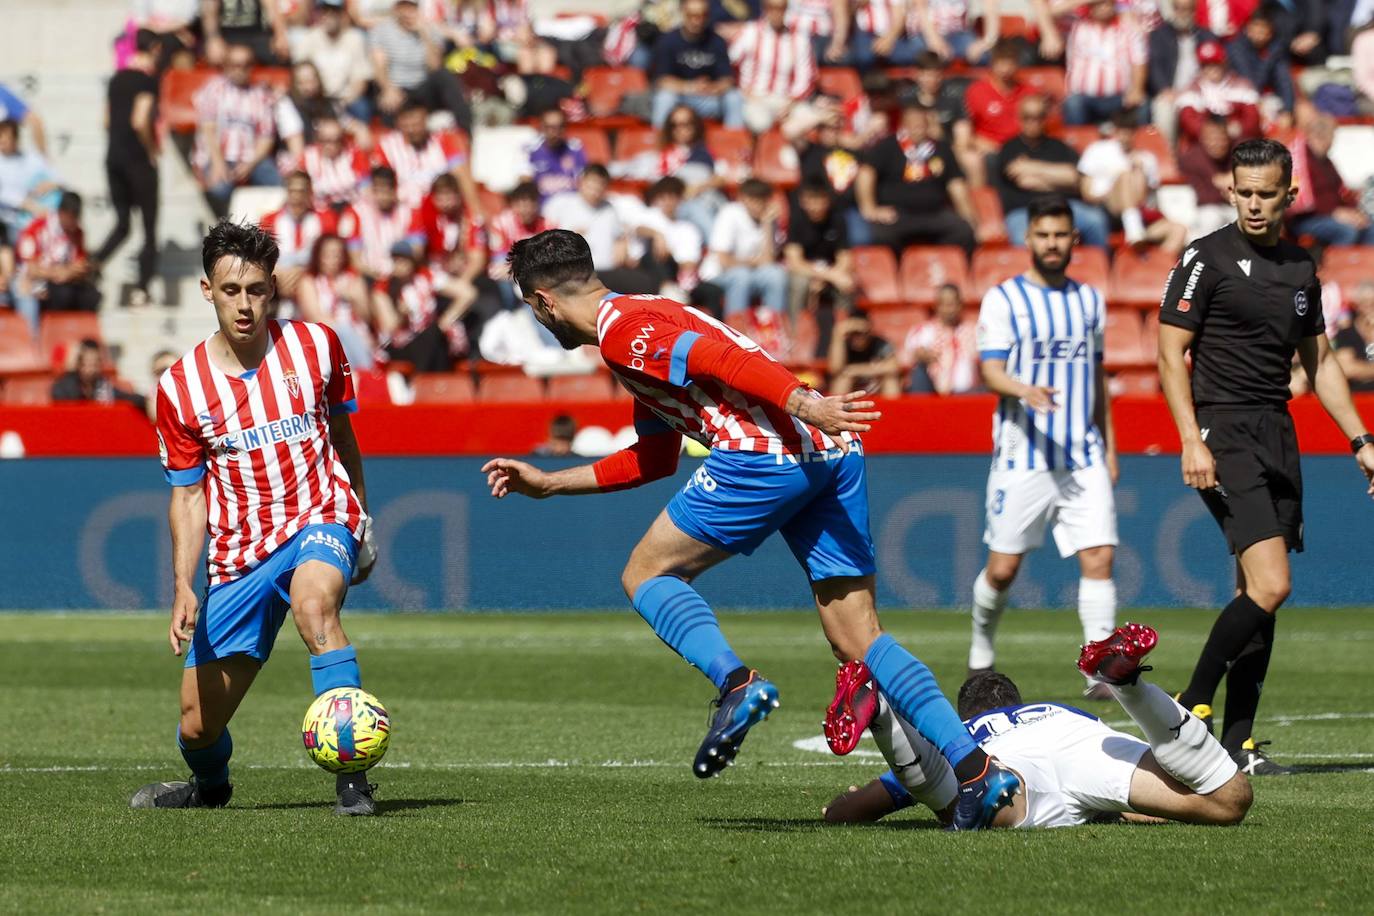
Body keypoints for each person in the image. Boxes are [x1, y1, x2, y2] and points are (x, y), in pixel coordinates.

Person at [483, 228, 1023, 830]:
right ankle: (977, 771)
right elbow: (654, 458)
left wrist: (803, 401)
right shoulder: (646, 318)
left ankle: (736, 682)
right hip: (830, 453)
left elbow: (723, 360)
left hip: (768, 452)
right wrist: (551, 483)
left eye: (531, 309)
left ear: (543, 303)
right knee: (858, 636)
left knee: (645, 574)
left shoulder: (623, 334)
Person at [130, 220, 378, 815]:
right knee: (196, 727)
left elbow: (343, 434)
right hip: (242, 552)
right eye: (231, 290)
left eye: (258, 290)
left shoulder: (318, 345)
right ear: (206, 291)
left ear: (273, 290)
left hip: (320, 516)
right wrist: (184, 584)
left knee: (314, 604)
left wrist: (362, 516)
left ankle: (353, 781)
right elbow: (188, 496)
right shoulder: (181, 387)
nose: (245, 304)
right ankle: (210, 787)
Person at [1157, 139, 1374, 776]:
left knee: (1258, 594)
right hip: (1223, 431)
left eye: (1265, 193)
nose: (1253, 204)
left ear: (1290, 195)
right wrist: (1190, 438)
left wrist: (1361, 441)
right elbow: (1171, 355)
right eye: (1243, 191)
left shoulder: (1301, 270)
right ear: (1231, 191)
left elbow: (1321, 362)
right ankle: (1187, 705)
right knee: (1273, 583)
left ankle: (1237, 745)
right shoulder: (1205, 258)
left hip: (1277, 430)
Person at [823, 624, 1253, 830]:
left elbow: (851, 813)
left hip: (1004, 769)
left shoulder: (959, 736)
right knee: (1227, 801)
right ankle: (1127, 683)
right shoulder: (1060, 711)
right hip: (1083, 743)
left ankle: (880, 711)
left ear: (962, 714)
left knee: (967, 805)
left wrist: (842, 806)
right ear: (1017, 704)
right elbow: (1138, 808)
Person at [969, 194, 1119, 691]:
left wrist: (1110, 444)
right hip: (1023, 453)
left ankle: (1099, 669)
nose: (1052, 244)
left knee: (1098, 556)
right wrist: (1023, 388)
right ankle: (981, 650)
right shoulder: (1004, 299)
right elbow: (990, 370)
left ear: (1074, 239)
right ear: (1028, 238)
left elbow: (1096, 377)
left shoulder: (1089, 299)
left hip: (1082, 452)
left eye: (1061, 235)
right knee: (1003, 569)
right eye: (1043, 235)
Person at [92, 28, 160, 308]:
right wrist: (152, 151)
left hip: (113, 159)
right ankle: (142, 288)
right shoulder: (146, 81)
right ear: (154, 49)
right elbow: (140, 120)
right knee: (148, 228)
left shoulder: (116, 79)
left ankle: (92, 264)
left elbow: (107, 121)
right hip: (137, 162)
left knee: (122, 223)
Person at [856, 102, 977, 256]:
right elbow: (866, 174)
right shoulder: (887, 147)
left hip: (934, 212)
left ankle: (942, 266)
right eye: (913, 125)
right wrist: (870, 208)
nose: (918, 129)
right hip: (898, 214)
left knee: (964, 232)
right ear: (903, 126)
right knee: (882, 236)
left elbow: (956, 184)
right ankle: (900, 275)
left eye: (922, 125)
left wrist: (968, 216)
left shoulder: (941, 148)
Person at [996, 95, 1110, 249]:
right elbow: (1024, 181)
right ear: (1019, 118)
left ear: (1045, 118)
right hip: (1025, 211)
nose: (1033, 122)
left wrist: (1031, 166)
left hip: (1064, 207)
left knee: (1095, 220)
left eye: (1039, 117)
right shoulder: (1009, 148)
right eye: (1028, 117)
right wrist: (1057, 180)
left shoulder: (1060, 147)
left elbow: (1073, 177)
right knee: (1020, 238)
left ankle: (1098, 270)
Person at [1077, 111, 1188, 251]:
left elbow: (1143, 198)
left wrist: (1139, 170)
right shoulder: (1097, 150)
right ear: (1114, 131)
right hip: (1105, 208)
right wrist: (1109, 194)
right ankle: (1134, 230)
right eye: (1122, 132)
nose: (1125, 137)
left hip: (1138, 212)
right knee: (1125, 176)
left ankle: (1162, 269)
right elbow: (1086, 192)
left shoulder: (1146, 158)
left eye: (1129, 132)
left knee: (1179, 230)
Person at [192, 44, 280, 216]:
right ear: (226, 66)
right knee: (218, 189)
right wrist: (218, 163)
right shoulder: (215, 88)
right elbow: (208, 129)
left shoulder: (260, 95)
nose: (240, 70)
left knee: (279, 186)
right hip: (218, 155)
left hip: (251, 158)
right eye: (234, 64)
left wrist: (250, 163)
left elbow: (266, 136)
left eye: (245, 65)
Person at [368, 0, 473, 130]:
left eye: (411, 7)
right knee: (387, 103)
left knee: (445, 76)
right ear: (396, 9)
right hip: (396, 88)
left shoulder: (429, 29)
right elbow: (379, 64)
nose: (407, 12)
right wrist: (388, 89)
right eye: (403, 7)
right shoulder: (381, 30)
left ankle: (465, 129)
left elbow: (434, 66)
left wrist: (424, 34)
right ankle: (392, 139)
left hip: (422, 87)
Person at [373, 100, 481, 215]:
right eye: (407, 126)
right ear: (398, 123)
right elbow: (380, 188)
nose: (412, 130)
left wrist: (475, 213)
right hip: (405, 215)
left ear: (426, 120)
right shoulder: (386, 147)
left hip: (441, 213)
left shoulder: (445, 141)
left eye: (416, 125)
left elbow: (463, 179)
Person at [649, 0, 745, 129]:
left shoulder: (716, 41)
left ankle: (732, 144)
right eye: (691, 15)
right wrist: (691, 87)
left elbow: (727, 80)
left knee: (734, 97)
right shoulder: (668, 41)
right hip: (680, 99)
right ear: (683, 13)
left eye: (701, 15)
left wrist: (713, 88)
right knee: (664, 98)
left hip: (709, 100)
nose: (696, 20)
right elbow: (662, 81)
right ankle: (660, 144)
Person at [372, 242, 468, 370]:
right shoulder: (383, 288)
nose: (400, 264)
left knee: (440, 335)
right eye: (396, 260)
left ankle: (439, 382)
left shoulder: (425, 277)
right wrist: (401, 315)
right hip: (398, 347)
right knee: (434, 335)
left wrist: (447, 319)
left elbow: (467, 294)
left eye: (404, 260)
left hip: (427, 338)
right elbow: (389, 327)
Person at [783, 177, 853, 352]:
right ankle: (794, 333)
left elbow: (845, 258)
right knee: (799, 283)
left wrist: (832, 277)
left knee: (848, 283)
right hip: (807, 273)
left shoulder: (838, 219)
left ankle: (845, 334)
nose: (815, 206)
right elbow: (795, 261)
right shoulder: (797, 221)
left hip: (829, 272)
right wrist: (825, 276)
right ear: (803, 201)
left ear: (827, 200)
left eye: (819, 199)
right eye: (810, 200)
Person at [700, 178, 787, 317]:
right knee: (741, 275)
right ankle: (736, 330)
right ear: (743, 199)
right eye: (754, 200)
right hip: (718, 275)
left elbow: (768, 262)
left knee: (776, 275)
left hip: (752, 274)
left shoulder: (769, 219)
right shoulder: (730, 213)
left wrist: (767, 225)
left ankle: (773, 329)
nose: (758, 205)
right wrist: (754, 263)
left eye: (762, 200)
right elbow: (724, 260)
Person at [729, 0, 819, 134]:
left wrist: (791, 103)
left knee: (810, 119)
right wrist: (743, 89)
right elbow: (730, 62)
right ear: (765, 9)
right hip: (756, 98)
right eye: (772, 8)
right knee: (761, 122)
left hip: (787, 100)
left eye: (781, 8)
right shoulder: (750, 32)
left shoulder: (799, 39)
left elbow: (806, 77)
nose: (776, 13)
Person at [13, 192, 100, 328]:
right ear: (61, 212)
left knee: (91, 296)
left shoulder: (77, 233)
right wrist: (60, 272)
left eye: (76, 217)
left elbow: (79, 265)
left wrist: (70, 272)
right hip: (37, 284)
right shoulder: (37, 228)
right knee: (61, 295)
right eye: (70, 217)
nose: (73, 222)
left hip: (65, 282)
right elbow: (30, 269)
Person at [259, 172, 350, 300]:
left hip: (314, 285)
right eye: (292, 191)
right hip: (278, 286)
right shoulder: (268, 221)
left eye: (302, 191)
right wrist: (276, 273)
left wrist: (304, 272)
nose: (297, 197)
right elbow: (261, 259)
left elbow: (335, 257)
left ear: (310, 194)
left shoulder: (326, 220)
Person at [1288, 114, 1374, 247]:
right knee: (1346, 232)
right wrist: (1335, 213)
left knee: (1370, 229)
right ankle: (1338, 266)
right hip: (1307, 219)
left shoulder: (1326, 162)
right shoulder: (1299, 160)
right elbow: (1303, 201)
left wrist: (1355, 214)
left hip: (1331, 215)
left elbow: (1341, 191)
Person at [1061, 0, 1148, 127]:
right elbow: (1049, 14)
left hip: (1119, 98)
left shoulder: (1128, 29)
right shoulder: (1076, 27)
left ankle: (1138, 146)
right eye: (1099, 3)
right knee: (1073, 103)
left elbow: (1139, 61)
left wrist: (1137, 89)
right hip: (1084, 98)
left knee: (1142, 104)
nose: (1104, 8)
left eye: (1108, 3)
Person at [297, 233, 377, 369]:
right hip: (326, 336)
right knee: (342, 339)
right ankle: (365, 374)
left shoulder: (354, 280)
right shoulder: (309, 282)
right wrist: (342, 329)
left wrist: (354, 298)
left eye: (337, 254)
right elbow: (314, 316)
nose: (333, 259)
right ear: (318, 256)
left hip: (358, 337)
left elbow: (367, 317)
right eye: (327, 255)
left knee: (349, 341)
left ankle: (362, 377)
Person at [1146, 0, 1217, 145]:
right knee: (1163, 111)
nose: (1183, 13)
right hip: (1170, 91)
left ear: (1194, 11)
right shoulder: (1159, 35)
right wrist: (1164, 89)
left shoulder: (1207, 36)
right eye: (1179, 9)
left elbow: (1215, 67)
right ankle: (1168, 154)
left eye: (1188, 9)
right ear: (1173, 10)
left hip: (1200, 92)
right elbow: (1154, 67)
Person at [295, 0, 374, 121]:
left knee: (362, 107)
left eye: (333, 12)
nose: (328, 16)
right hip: (317, 97)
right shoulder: (309, 38)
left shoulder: (355, 38)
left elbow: (360, 80)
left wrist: (344, 102)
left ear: (342, 14)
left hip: (345, 98)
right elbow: (299, 73)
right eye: (324, 12)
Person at [1175, 40, 1261, 145]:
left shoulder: (1242, 86)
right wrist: (1214, 134)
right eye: (1206, 65)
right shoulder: (1192, 89)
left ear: (1224, 63)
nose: (1212, 68)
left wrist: (1240, 129)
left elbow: (1253, 119)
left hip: (1237, 140)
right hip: (1203, 143)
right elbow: (1188, 121)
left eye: (1216, 64)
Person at [901, 282, 977, 394]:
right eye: (944, 304)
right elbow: (909, 356)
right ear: (936, 306)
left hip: (968, 394)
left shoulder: (974, 331)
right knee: (919, 371)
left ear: (961, 304)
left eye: (952, 304)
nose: (949, 309)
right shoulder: (923, 331)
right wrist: (922, 355)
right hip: (932, 393)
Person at [349, 165, 422, 281]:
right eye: (378, 191)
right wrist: (380, 273)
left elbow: (417, 251)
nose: (382, 197)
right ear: (372, 189)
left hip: (402, 276)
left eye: (387, 191)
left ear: (394, 190)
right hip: (369, 276)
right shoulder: (358, 212)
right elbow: (355, 260)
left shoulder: (408, 212)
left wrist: (400, 269)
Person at [1225, 6, 1295, 122]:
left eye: (1264, 30)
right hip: (1239, 100)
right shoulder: (1235, 47)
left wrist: (1288, 110)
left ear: (1270, 33)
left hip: (1266, 98)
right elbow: (1251, 83)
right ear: (1248, 28)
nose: (1259, 34)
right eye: (1256, 27)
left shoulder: (1275, 48)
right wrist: (1268, 58)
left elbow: (1284, 80)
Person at [0, 118, 59, 243]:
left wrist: (51, 184)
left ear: (15, 138)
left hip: (32, 220)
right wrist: (26, 204)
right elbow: (4, 195)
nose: (2, 142)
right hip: (7, 223)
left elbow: (59, 179)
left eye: (5, 138)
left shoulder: (31, 159)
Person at [1178, 115, 1236, 238]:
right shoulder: (1193, 156)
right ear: (1202, 138)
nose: (1216, 143)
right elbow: (1219, 182)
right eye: (1211, 138)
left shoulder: (1236, 151)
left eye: (1221, 138)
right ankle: (1205, 257)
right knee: (1211, 218)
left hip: (1232, 208)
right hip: (1205, 211)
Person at [300, 115, 373, 211]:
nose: (331, 145)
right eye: (326, 141)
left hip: (353, 209)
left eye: (336, 140)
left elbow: (367, 189)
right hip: (321, 213)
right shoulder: (308, 158)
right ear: (318, 140)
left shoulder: (355, 155)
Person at [828, 310, 901, 397]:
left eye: (861, 333)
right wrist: (838, 334)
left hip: (874, 384)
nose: (857, 337)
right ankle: (838, 409)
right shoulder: (844, 345)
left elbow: (893, 366)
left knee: (890, 380)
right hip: (852, 386)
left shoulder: (879, 343)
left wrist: (857, 370)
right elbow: (835, 369)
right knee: (843, 380)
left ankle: (891, 409)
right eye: (854, 333)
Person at [51, 338, 144, 406]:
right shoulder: (63, 387)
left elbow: (127, 397)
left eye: (95, 364)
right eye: (86, 363)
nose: (90, 369)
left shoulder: (104, 385)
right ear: (78, 364)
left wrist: (146, 401)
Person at [523, 108, 587, 202]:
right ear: (542, 127)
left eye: (560, 127)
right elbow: (525, 189)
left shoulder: (576, 149)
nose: (555, 132)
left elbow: (585, 183)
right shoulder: (530, 151)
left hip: (571, 207)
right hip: (542, 210)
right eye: (550, 127)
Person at [200, 0, 289, 66]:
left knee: (279, 55)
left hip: (256, 35)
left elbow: (271, 8)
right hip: (227, 35)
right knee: (214, 56)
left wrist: (280, 35)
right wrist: (213, 38)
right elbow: (209, 10)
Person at [910, 0, 1000, 64]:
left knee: (984, 56)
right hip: (925, 33)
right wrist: (935, 41)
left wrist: (987, 42)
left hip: (958, 34)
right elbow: (921, 7)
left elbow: (991, 5)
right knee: (931, 57)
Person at [1334, 282, 1374, 393]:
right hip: (1360, 393)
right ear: (1357, 306)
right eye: (1365, 304)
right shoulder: (1347, 333)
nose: (1369, 309)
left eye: (1373, 304)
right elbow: (1347, 369)